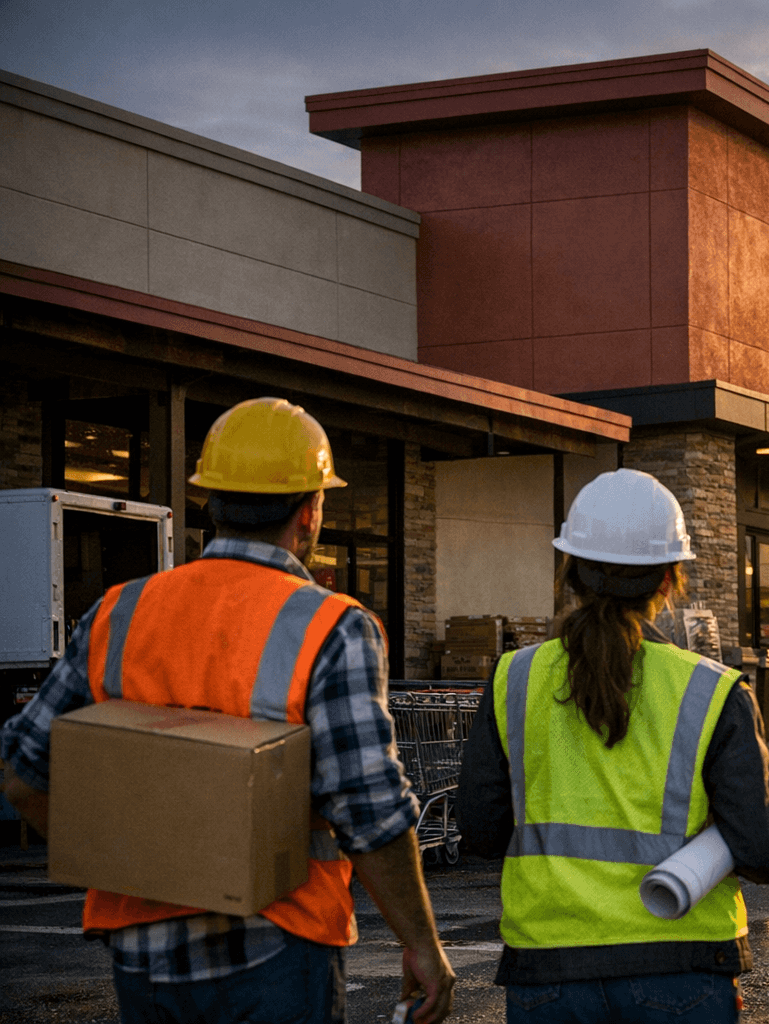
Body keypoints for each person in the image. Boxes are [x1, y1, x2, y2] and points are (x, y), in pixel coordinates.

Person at [0, 397, 455, 1024]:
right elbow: (370, 811)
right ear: (311, 509)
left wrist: (134, 852)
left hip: (142, 951)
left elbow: (24, 778)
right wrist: (422, 946)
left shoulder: (119, 612)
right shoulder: (333, 626)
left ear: (210, 504)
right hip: (280, 946)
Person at [457, 468, 769, 1024]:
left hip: (548, 969)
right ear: (669, 580)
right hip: (680, 965)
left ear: (570, 571)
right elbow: (767, 854)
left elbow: (480, 830)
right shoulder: (711, 690)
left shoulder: (511, 680)